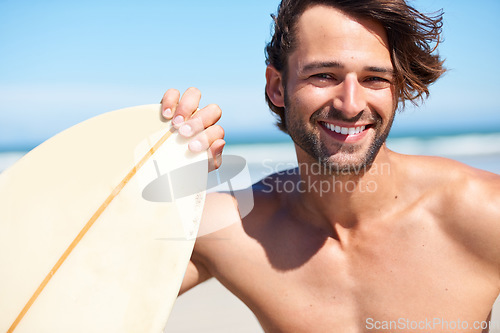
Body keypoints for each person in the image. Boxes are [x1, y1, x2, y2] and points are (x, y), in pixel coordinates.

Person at [160, 0, 500, 332]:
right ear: (277, 87)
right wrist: (159, 170)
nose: (350, 105)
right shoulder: (232, 227)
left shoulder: (484, 212)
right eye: (324, 75)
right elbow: (111, 294)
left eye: (374, 79)